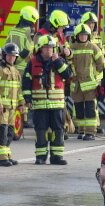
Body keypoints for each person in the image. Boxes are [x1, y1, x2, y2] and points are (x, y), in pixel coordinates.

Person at [22, 35, 72, 165]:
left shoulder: (59, 60)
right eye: (46, 47)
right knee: (41, 131)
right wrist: (27, 98)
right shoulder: (32, 63)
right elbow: (26, 81)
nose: (49, 50)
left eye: (51, 47)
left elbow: (67, 75)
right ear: (40, 48)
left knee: (58, 130)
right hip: (39, 105)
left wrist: (58, 62)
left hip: (57, 104)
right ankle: (41, 157)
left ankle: (57, 157)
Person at [69, 23, 105, 140]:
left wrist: (98, 79)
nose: (83, 37)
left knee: (90, 108)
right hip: (76, 84)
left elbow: (101, 65)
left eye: (85, 35)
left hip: (90, 84)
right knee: (78, 108)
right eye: (81, 35)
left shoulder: (93, 47)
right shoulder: (72, 47)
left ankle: (90, 132)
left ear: (88, 36)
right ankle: (81, 130)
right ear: (77, 36)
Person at [6, 6, 39, 128]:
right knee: (23, 93)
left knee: (12, 93)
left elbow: (6, 47)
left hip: (11, 66)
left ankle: (14, 118)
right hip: (24, 67)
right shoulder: (28, 32)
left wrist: (12, 61)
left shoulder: (12, 30)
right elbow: (30, 49)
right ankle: (23, 119)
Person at [80, 11, 105, 134]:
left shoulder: (98, 39)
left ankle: (95, 123)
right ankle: (79, 125)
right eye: (89, 23)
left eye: (93, 24)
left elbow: (102, 56)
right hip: (84, 74)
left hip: (96, 75)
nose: (91, 26)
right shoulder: (79, 37)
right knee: (81, 102)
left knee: (93, 101)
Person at [0, 43, 24, 167]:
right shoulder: (1, 69)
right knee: (2, 132)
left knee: (10, 133)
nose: (11, 58)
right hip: (2, 108)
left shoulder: (15, 71)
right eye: (9, 55)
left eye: (14, 56)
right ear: (4, 55)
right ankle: (2, 158)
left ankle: (7, 155)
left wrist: (21, 104)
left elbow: (18, 90)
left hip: (12, 108)